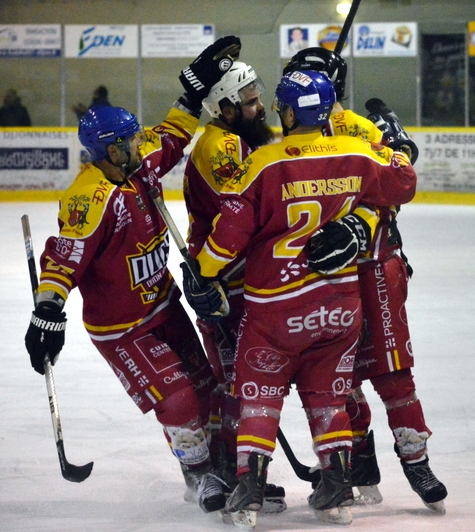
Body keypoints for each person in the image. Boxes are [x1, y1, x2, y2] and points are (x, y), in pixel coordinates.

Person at [183, 70, 417, 530]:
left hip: (277, 308)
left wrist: (202, 273)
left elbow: (229, 236)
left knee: (259, 391)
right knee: (329, 391)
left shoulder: (266, 162)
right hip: (339, 306)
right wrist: (396, 148)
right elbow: (403, 183)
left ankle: (249, 483)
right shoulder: (356, 153)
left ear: (288, 113)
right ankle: (336, 483)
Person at [23, 35, 242, 517]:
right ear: (106, 149)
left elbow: (172, 134)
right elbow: (63, 258)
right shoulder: (89, 197)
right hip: (123, 329)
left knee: (205, 388)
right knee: (179, 400)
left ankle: (221, 463)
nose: (136, 144)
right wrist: (46, 312)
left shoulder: (136, 166)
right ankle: (199, 474)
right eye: (125, 140)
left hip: (164, 306)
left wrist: (191, 96)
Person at [285, 47, 448, 514]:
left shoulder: (359, 130)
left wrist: (395, 157)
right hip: (320, 275)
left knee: (393, 372)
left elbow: (396, 188)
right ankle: (358, 461)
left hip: (374, 267)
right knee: (334, 378)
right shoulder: (287, 136)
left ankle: (416, 460)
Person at [181, 56, 285, 513]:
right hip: (222, 284)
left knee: (246, 378)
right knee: (235, 382)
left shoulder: (237, 139)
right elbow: (244, 212)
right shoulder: (218, 146)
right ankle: (228, 470)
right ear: (223, 107)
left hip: (243, 280)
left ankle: (242, 467)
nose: (259, 107)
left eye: (258, 97)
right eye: (249, 101)